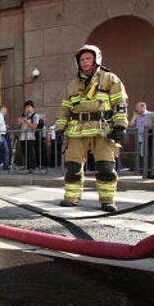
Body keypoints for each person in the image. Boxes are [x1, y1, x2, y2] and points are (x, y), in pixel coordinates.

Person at [54, 45, 128, 212]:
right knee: (73, 166)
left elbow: (120, 104)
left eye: (88, 58)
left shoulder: (110, 79)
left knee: (105, 166)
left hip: (103, 129)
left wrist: (120, 125)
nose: (85, 62)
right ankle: (71, 197)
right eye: (82, 60)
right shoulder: (72, 85)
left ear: (96, 59)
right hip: (76, 130)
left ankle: (107, 200)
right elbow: (65, 108)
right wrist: (59, 128)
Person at [15, 101, 39, 173]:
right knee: (25, 153)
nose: (27, 109)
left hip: (30, 137)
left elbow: (34, 127)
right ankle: (28, 167)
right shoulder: (24, 116)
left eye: (29, 107)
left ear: (32, 107)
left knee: (30, 153)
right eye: (26, 108)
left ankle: (33, 167)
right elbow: (18, 127)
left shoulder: (35, 115)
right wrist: (19, 121)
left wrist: (27, 121)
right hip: (22, 137)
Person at [129, 101, 151, 167]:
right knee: (138, 154)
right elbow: (131, 124)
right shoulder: (137, 116)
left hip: (146, 138)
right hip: (138, 138)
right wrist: (134, 116)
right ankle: (140, 168)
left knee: (144, 154)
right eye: (136, 107)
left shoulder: (150, 114)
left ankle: (145, 168)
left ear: (144, 107)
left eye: (138, 107)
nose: (136, 109)